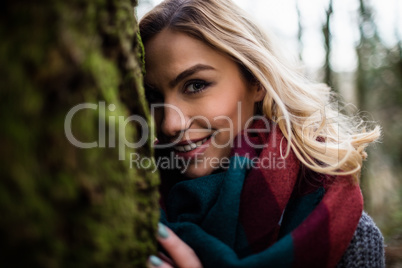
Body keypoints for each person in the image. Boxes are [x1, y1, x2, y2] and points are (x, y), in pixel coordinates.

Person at [139, 0, 385, 267]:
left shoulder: (343, 230)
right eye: (153, 96)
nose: (170, 125)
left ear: (256, 80)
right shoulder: (136, 203)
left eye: (195, 85)